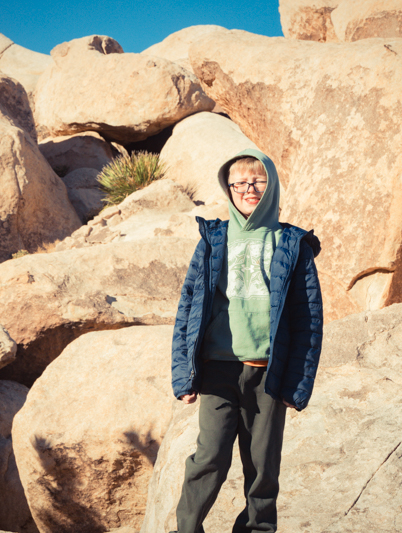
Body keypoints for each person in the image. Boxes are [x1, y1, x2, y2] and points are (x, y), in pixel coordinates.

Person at [170, 148, 323, 533]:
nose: (248, 189)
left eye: (258, 181)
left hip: (268, 375)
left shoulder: (292, 243)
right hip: (217, 371)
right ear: (228, 189)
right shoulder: (214, 239)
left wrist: (297, 384)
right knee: (208, 458)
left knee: (263, 467)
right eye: (239, 183)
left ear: (271, 187)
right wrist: (183, 376)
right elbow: (189, 305)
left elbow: (308, 319)